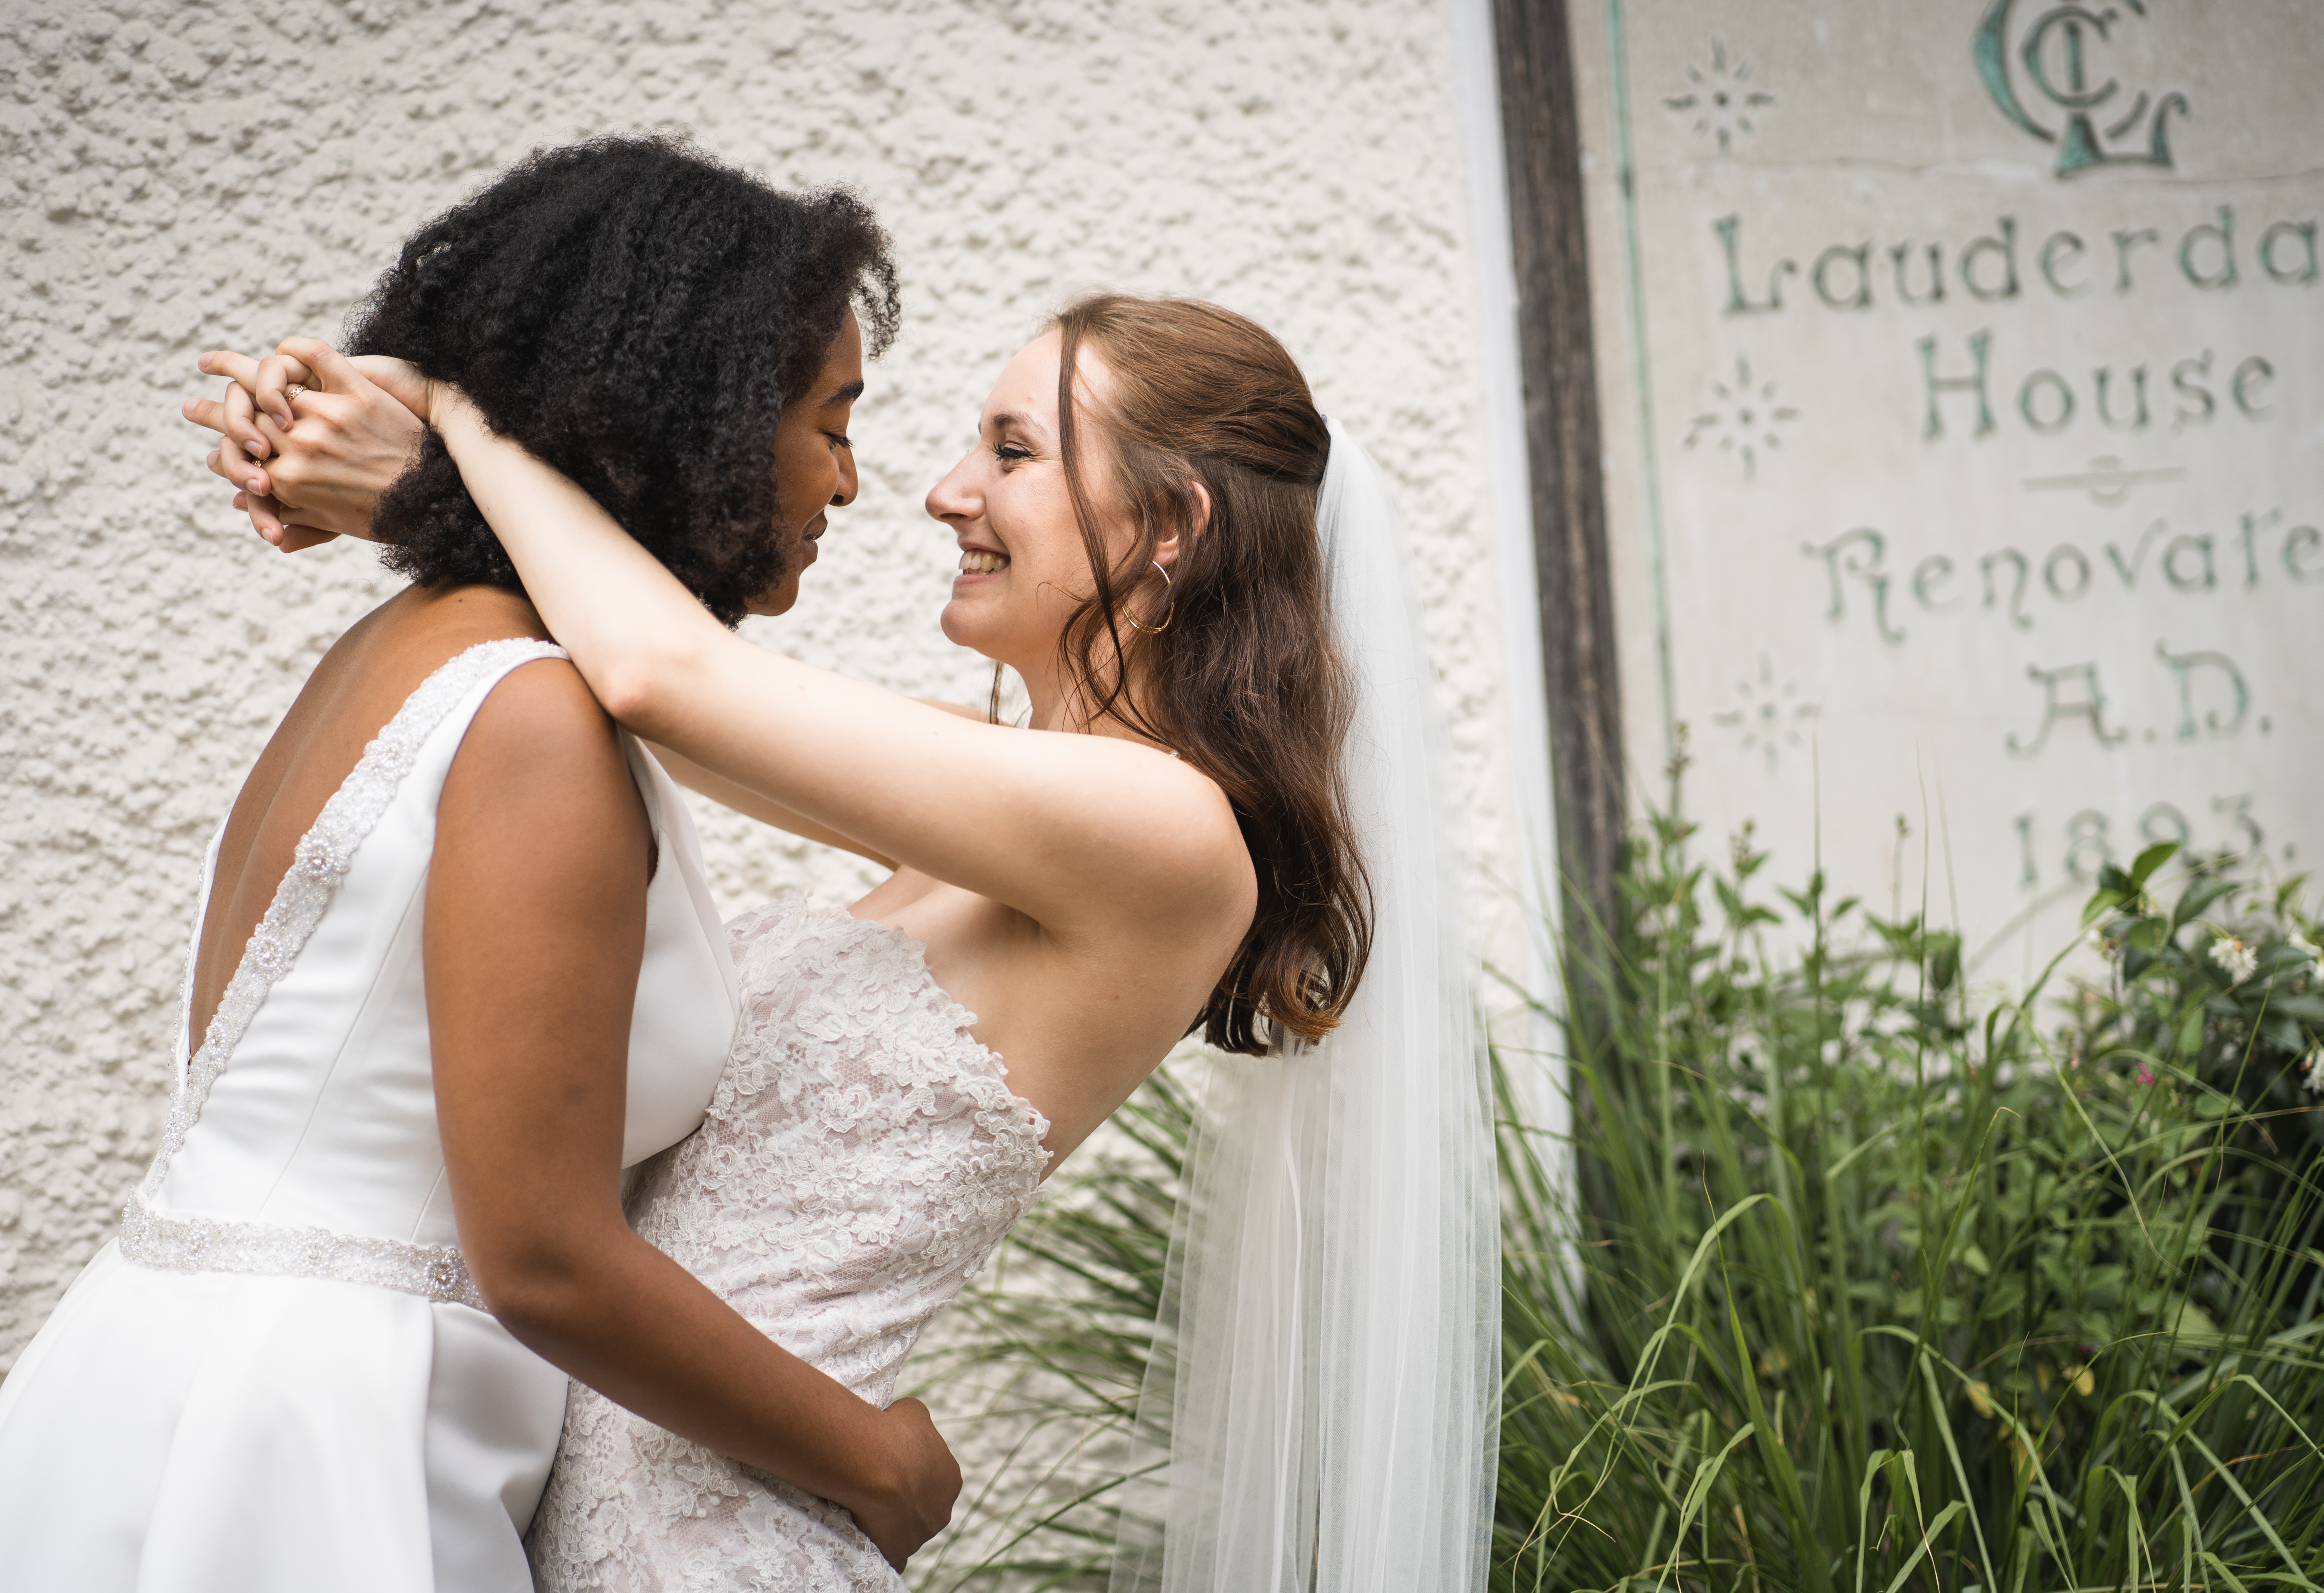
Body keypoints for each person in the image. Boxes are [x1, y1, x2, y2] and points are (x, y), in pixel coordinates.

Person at [193, 292, 1497, 1593]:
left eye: (1011, 450)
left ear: (1169, 528)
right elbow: (625, 678)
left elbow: (661, 678)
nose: (943, 491)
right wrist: (382, 465)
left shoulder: (1169, 836)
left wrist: (457, 404)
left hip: (722, 1550)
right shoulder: (996, 794)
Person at [0, 137, 964, 1593]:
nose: (852, 477)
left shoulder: (422, 653)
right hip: (324, 1456)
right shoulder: (536, 721)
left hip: (177, 1389)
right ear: (699, 413)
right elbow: (543, 1256)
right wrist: (873, 1459)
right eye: (832, 419)